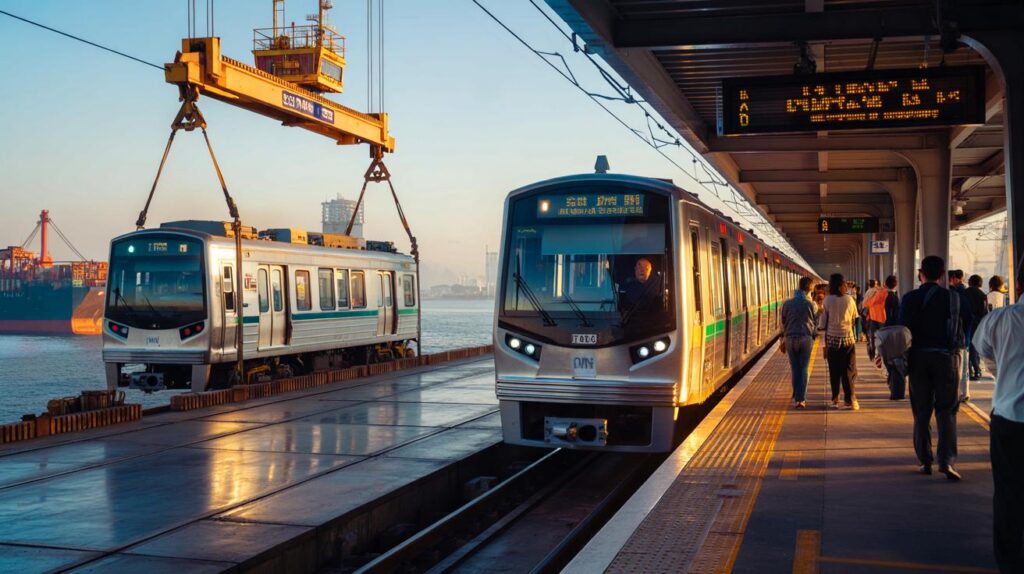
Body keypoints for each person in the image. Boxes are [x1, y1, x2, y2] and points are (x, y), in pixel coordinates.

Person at [972, 260, 1024, 572]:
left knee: (1008, 492)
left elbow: (981, 348)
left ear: (1018, 285)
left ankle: (1009, 560)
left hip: (1010, 416)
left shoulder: (1001, 318)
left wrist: (1000, 373)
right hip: (1008, 415)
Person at [899, 255, 970, 480]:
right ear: (942, 275)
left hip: (918, 359)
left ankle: (925, 461)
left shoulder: (910, 298)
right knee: (947, 410)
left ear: (921, 273)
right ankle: (947, 461)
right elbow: (966, 327)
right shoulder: (954, 298)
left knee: (921, 411)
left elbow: (901, 330)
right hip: (947, 359)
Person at [820, 273, 860, 410]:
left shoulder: (827, 300)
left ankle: (835, 399)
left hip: (832, 340)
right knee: (848, 370)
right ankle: (849, 400)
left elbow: (823, 323)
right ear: (842, 285)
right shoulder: (850, 300)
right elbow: (854, 319)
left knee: (834, 370)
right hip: (848, 339)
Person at [781, 276, 818, 409]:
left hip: (790, 338)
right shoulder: (811, 304)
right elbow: (815, 323)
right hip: (805, 338)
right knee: (803, 368)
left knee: (794, 367)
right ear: (810, 288)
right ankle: (800, 399)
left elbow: (783, 322)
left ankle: (796, 393)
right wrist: (814, 335)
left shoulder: (787, 303)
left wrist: (782, 340)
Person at [948, 269, 975, 402]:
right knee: (964, 367)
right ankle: (965, 392)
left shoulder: (954, 294)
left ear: (953, 278)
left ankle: (957, 393)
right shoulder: (965, 293)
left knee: (958, 367)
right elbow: (969, 317)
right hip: (965, 336)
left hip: (957, 336)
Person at [964, 274, 988, 381]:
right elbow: (984, 311)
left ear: (970, 282)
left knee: (968, 348)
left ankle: (971, 370)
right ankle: (977, 370)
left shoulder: (964, 293)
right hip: (978, 324)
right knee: (975, 348)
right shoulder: (983, 295)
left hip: (966, 323)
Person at [864, 279, 887, 360]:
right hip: (882, 318)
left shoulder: (876, 292)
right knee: (883, 338)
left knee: (873, 337)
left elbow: (866, 303)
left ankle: (873, 354)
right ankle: (882, 355)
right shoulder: (881, 291)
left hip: (874, 318)